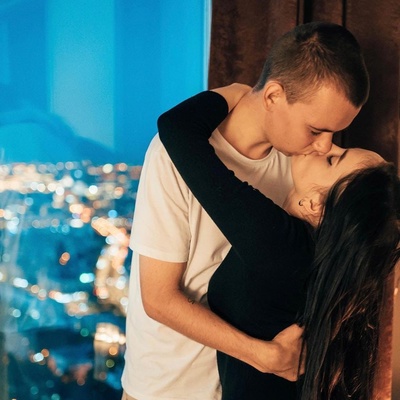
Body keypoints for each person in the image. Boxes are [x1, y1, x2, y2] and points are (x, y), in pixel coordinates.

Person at [121, 21, 370, 400]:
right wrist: (262, 355)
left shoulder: (302, 169)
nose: (324, 146)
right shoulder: (173, 157)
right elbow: (159, 299)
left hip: (243, 386)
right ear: (273, 96)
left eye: (334, 134)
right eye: (316, 129)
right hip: (169, 386)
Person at [157, 86, 400, 399]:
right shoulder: (330, 264)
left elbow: (177, 129)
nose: (325, 145)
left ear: (316, 205)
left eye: (332, 160)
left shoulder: (278, 244)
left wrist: (241, 91)